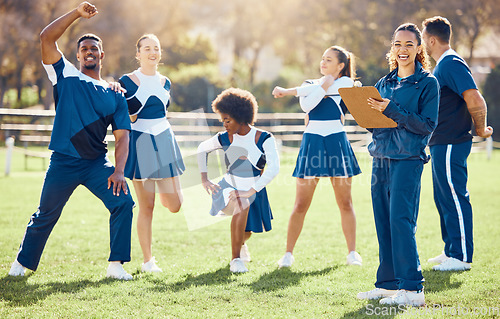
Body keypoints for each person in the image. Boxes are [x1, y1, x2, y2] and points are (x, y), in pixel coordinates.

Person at [8, 2, 135, 280]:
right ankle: (22, 262)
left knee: (123, 202)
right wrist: (77, 13)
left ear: (102, 54)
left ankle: (116, 265)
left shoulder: (115, 94)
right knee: (45, 214)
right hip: (63, 161)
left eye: (94, 48)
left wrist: (118, 171)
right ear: (78, 55)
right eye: (84, 48)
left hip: (95, 164)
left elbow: (123, 138)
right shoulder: (64, 73)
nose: (89, 51)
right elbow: (46, 38)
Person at [356, 23, 439, 306]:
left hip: (408, 160)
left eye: (408, 45)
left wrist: (390, 108)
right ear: (392, 48)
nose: (402, 50)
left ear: (418, 49)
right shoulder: (384, 83)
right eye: (397, 44)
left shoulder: (428, 83)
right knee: (383, 221)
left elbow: (426, 126)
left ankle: (413, 289)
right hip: (381, 158)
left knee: (401, 221)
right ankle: (389, 285)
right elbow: (375, 125)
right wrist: (360, 107)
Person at [271, 46, 362, 268]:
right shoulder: (308, 85)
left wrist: (324, 86)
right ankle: (288, 254)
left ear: (341, 65)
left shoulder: (345, 84)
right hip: (312, 142)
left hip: (336, 142)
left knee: (346, 203)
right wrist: (323, 85)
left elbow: (347, 86)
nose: (323, 62)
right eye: (322, 59)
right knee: (300, 204)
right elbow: (307, 104)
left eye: (328, 60)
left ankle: (352, 253)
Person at [422, 17, 493, 271]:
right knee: (442, 198)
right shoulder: (443, 66)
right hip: (441, 143)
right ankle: (451, 249)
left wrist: (481, 128)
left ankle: (461, 257)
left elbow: (475, 97)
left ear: (431, 39)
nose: (422, 44)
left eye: (422, 39)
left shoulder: (451, 63)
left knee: (454, 195)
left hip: (452, 142)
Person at [118, 34, 185, 273]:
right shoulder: (126, 81)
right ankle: (148, 261)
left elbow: (163, 112)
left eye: (156, 48)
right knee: (147, 207)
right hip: (142, 143)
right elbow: (124, 116)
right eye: (147, 48)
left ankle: (162, 187)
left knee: (175, 204)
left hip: (165, 141)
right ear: (138, 54)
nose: (152, 52)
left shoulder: (166, 82)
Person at [197, 88, 280, 273]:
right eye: (222, 120)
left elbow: (274, 168)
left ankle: (241, 245)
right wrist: (204, 179)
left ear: (241, 116)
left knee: (248, 231)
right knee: (242, 204)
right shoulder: (224, 137)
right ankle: (235, 260)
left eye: (227, 120)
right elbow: (202, 148)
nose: (224, 124)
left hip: (255, 189)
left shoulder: (264, 138)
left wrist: (252, 190)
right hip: (228, 189)